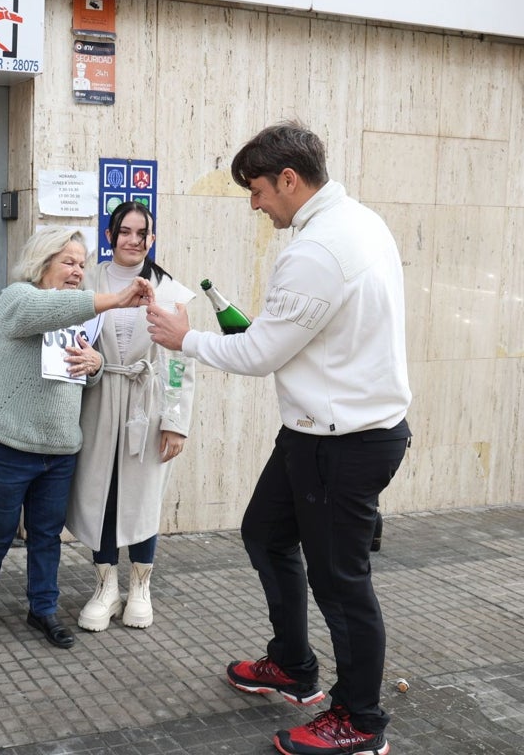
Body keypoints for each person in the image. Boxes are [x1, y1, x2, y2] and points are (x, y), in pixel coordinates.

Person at [146, 122, 411, 755]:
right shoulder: (358, 221)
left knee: (341, 584)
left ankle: (361, 722)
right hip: (315, 434)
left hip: (341, 444)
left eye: (258, 190)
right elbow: (296, 332)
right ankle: (293, 666)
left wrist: (183, 339)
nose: (255, 204)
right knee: (264, 532)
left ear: (290, 179)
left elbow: (262, 352)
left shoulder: (318, 249)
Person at [0, 228, 153, 650]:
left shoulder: (83, 311)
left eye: (82, 264)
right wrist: (115, 298)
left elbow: (85, 373)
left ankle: (42, 608)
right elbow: (53, 308)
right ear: (43, 262)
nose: (78, 271)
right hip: (5, 442)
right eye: (69, 262)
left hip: (58, 448)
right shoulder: (17, 299)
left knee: (46, 536)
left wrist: (95, 364)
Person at [66, 201, 195, 632]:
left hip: (147, 402)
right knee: (101, 492)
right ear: (110, 234)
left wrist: (176, 422)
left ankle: (140, 587)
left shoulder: (171, 291)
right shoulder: (89, 280)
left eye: (142, 233)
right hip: (99, 399)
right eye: (125, 231)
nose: (133, 240)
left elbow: (179, 362)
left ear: (151, 239)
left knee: (142, 495)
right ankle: (106, 587)